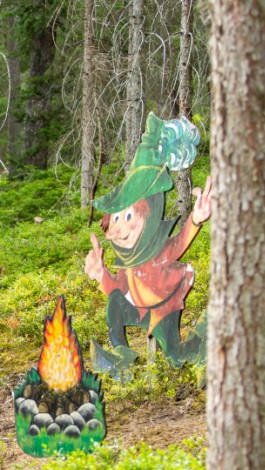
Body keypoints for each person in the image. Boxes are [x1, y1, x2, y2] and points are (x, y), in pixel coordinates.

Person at [83, 113, 213, 375]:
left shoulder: (157, 251)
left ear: (148, 214)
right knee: (116, 302)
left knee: (176, 356)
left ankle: (207, 343)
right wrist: (100, 276)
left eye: (129, 216)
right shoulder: (126, 261)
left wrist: (196, 220)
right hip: (136, 308)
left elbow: (179, 244)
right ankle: (121, 357)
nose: (120, 228)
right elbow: (117, 288)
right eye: (117, 218)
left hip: (162, 305)